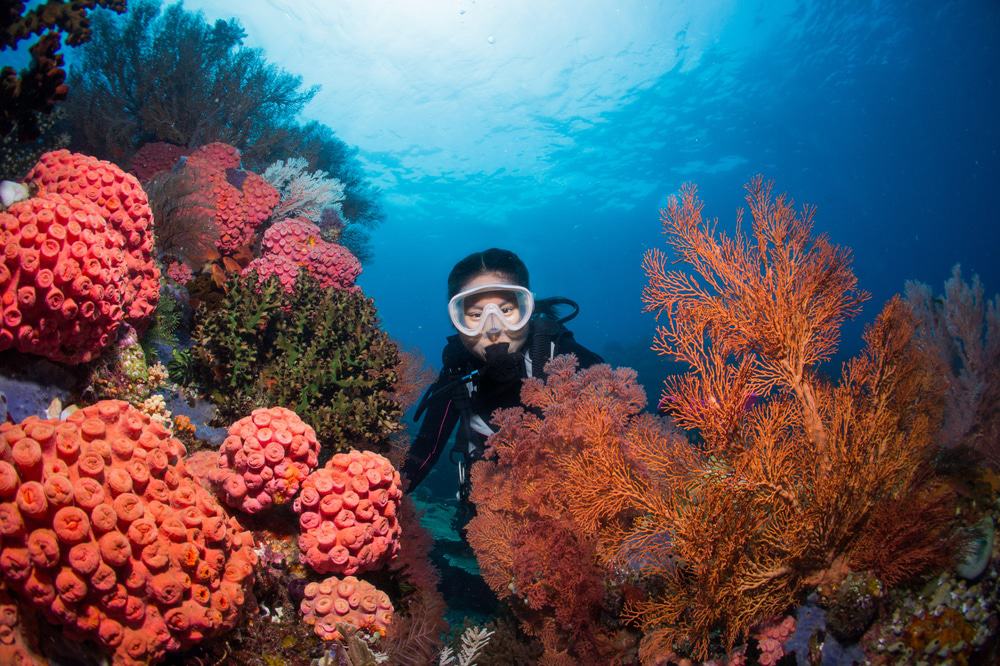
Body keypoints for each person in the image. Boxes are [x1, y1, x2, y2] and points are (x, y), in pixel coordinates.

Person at [401, 248, 603, 508]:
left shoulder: (562, 358)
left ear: (526, 309)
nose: (493, 328)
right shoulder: (459, 376)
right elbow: (424, 451)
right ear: (457, 322)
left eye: (506, 310)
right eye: (475, 315)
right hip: (495, 515)